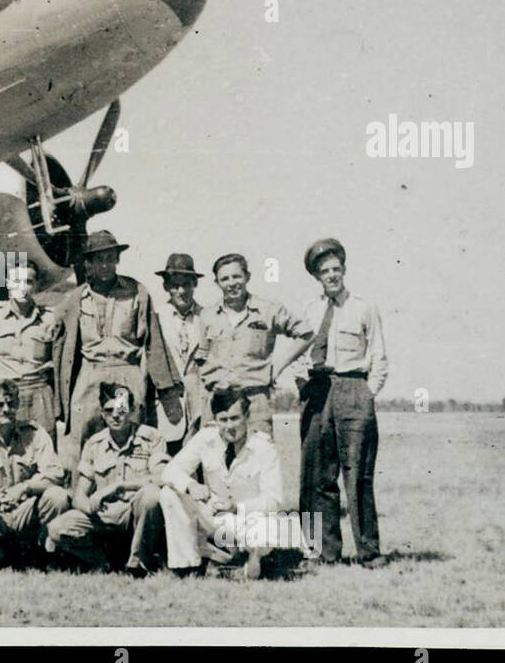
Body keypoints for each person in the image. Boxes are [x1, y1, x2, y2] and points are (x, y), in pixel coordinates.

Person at [293, 238, 390, 568]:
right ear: (316, 277)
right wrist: (302, 383)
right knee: (319, 476)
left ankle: (369, 552)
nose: (331, 275)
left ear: (344, 270)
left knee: (358, 475)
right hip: (318, 391)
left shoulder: (364, 307)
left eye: (336, 269)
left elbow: (378, 355)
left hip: (353, 388)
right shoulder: (308, 310)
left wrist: (366, 394)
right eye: (324, 271)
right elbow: (297, 353)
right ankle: (324, 552)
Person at [55, 231, 182, 472]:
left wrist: (166, 389)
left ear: (117, 260)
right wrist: (60, 399)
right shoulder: (75, 298)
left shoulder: (137, 291)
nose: (105, 265)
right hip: (90, 374)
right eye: (98, 259)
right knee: (83, 438)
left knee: (130, 436)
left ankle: (132, 497)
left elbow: (153, 341)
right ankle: (82, 499)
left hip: (127, 373)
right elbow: (61, 345)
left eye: (110, 258)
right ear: (88, 263)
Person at [160, 389, 300, 579]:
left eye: (235, 418)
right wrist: (191, 485)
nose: (229, 426)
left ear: (247, 417)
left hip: (249, 519)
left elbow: (274, 501)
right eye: (223, 420)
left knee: (268, 532)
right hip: (215, 519)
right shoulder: (206, 438)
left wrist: (237, 507)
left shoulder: (264, 447)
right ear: (216, 420)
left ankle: (247, 560)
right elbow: (170, 471)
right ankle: (187, 567)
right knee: (169, 493)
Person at [46, 382, 167, 576]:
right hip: (104, 515)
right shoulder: (94, 444)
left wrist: (119, 486)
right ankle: (107, 561)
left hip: (134, 514)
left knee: (151, 496)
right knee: (57, 528)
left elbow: (161, 478)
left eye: (121, 409)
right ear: (102, 413)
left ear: (133, 410)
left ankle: (137, 563)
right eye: (109, 410)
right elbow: (79, 495)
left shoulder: (151, 438)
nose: (115, 416)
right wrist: (89, 507)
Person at [195, 253, 311, 438]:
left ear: (247, 277)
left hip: (255, 402)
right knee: (214, 463)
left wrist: (278, 366)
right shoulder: (207, 316)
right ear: (217, 283)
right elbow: (202, 359)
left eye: (236, 276)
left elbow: (307, 333)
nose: (232, 283)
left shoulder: (268, 310)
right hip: (218, 404)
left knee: (259, 458)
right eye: (225, 278)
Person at [0, 380, 70, 569]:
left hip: (26, 509)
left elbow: (55, 474)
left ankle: (43, 554)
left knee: (58, 496)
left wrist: (25, 487)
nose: (6, 410)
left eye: (11, 404)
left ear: (18, 405)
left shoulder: (35, 434)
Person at [0, 258, 62, 439]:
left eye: (28, 282)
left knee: (44, 445)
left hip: (38, 393)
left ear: (37, 285)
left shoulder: (50, 318)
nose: (22, 288)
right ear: (8, 283)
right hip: (4, 394)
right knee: (5, 444)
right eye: (17, 281)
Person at [153, 252, 208, 452]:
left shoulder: (208, 316)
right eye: (175, 285)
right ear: (166, 286)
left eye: (187, 284)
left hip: (200, 406)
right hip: (168, 407)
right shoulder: (155, 318)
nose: (181, 290)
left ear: (195, 284)